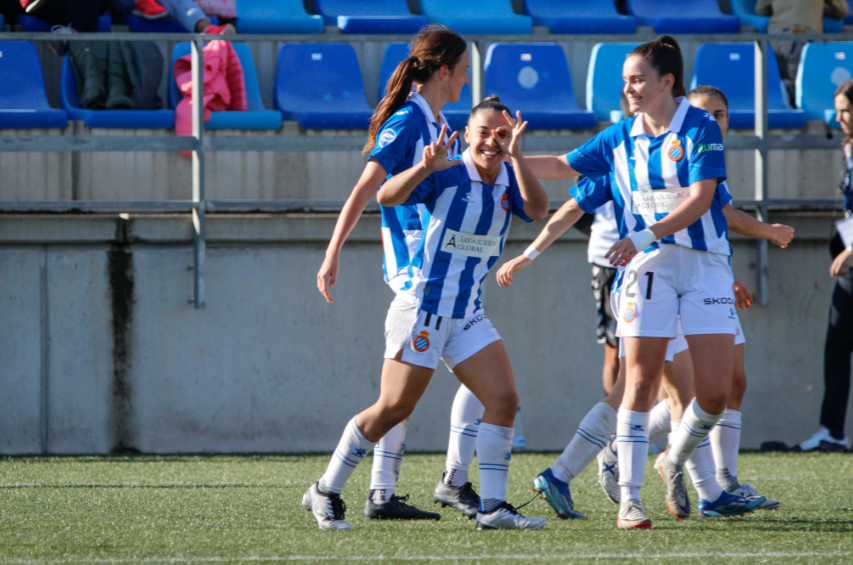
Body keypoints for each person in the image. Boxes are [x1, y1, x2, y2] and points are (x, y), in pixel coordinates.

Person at [514, 35, 741, 530]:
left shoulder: (700, 125)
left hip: (704, 264)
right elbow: (561, 168)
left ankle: (674, 460)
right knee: (637, 384)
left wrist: (644, 234)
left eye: (638, 79)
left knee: (717, 394)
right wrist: (502, 157)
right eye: (625, 81)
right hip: (647, 269)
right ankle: (630, 501)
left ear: (667, 81)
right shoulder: (620, 136)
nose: (629, 89)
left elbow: (704, 199)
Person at [302, 99, 549, 531]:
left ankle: (493, 508)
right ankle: (326, 490)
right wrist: (423, 167)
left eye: (502, 133)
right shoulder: (448, 173)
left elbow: (538, 209)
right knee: (392, 409)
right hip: (423, 310)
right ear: (467, 134)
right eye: (485, 131)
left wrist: (519, 157)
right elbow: (385, 195)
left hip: (468, 314)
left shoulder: (510, 176)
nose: (493, 140)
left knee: (504, 400)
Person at [310, 27, 486, 525]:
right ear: (444, 70)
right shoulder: (409, 121)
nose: (467, 79)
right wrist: (332, 252)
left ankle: (389, 495)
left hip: (446, 275)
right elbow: (367, 186)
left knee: (471, 390)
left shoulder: (439, 121)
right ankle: (333, 489)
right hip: (418, 278)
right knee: (396, 400)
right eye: (464, 70)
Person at [795, 79, 853, 452]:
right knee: (837, 345)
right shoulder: (849, 148)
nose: (839, 118)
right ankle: (832, 430)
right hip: (849, 263)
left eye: (846, 110)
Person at [755, 0, 849, 103]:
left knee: (784, 80)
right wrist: (822, 8)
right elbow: (842, 11)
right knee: (800, 84)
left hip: (776, 35)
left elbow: (761, 10)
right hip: (804, 35)